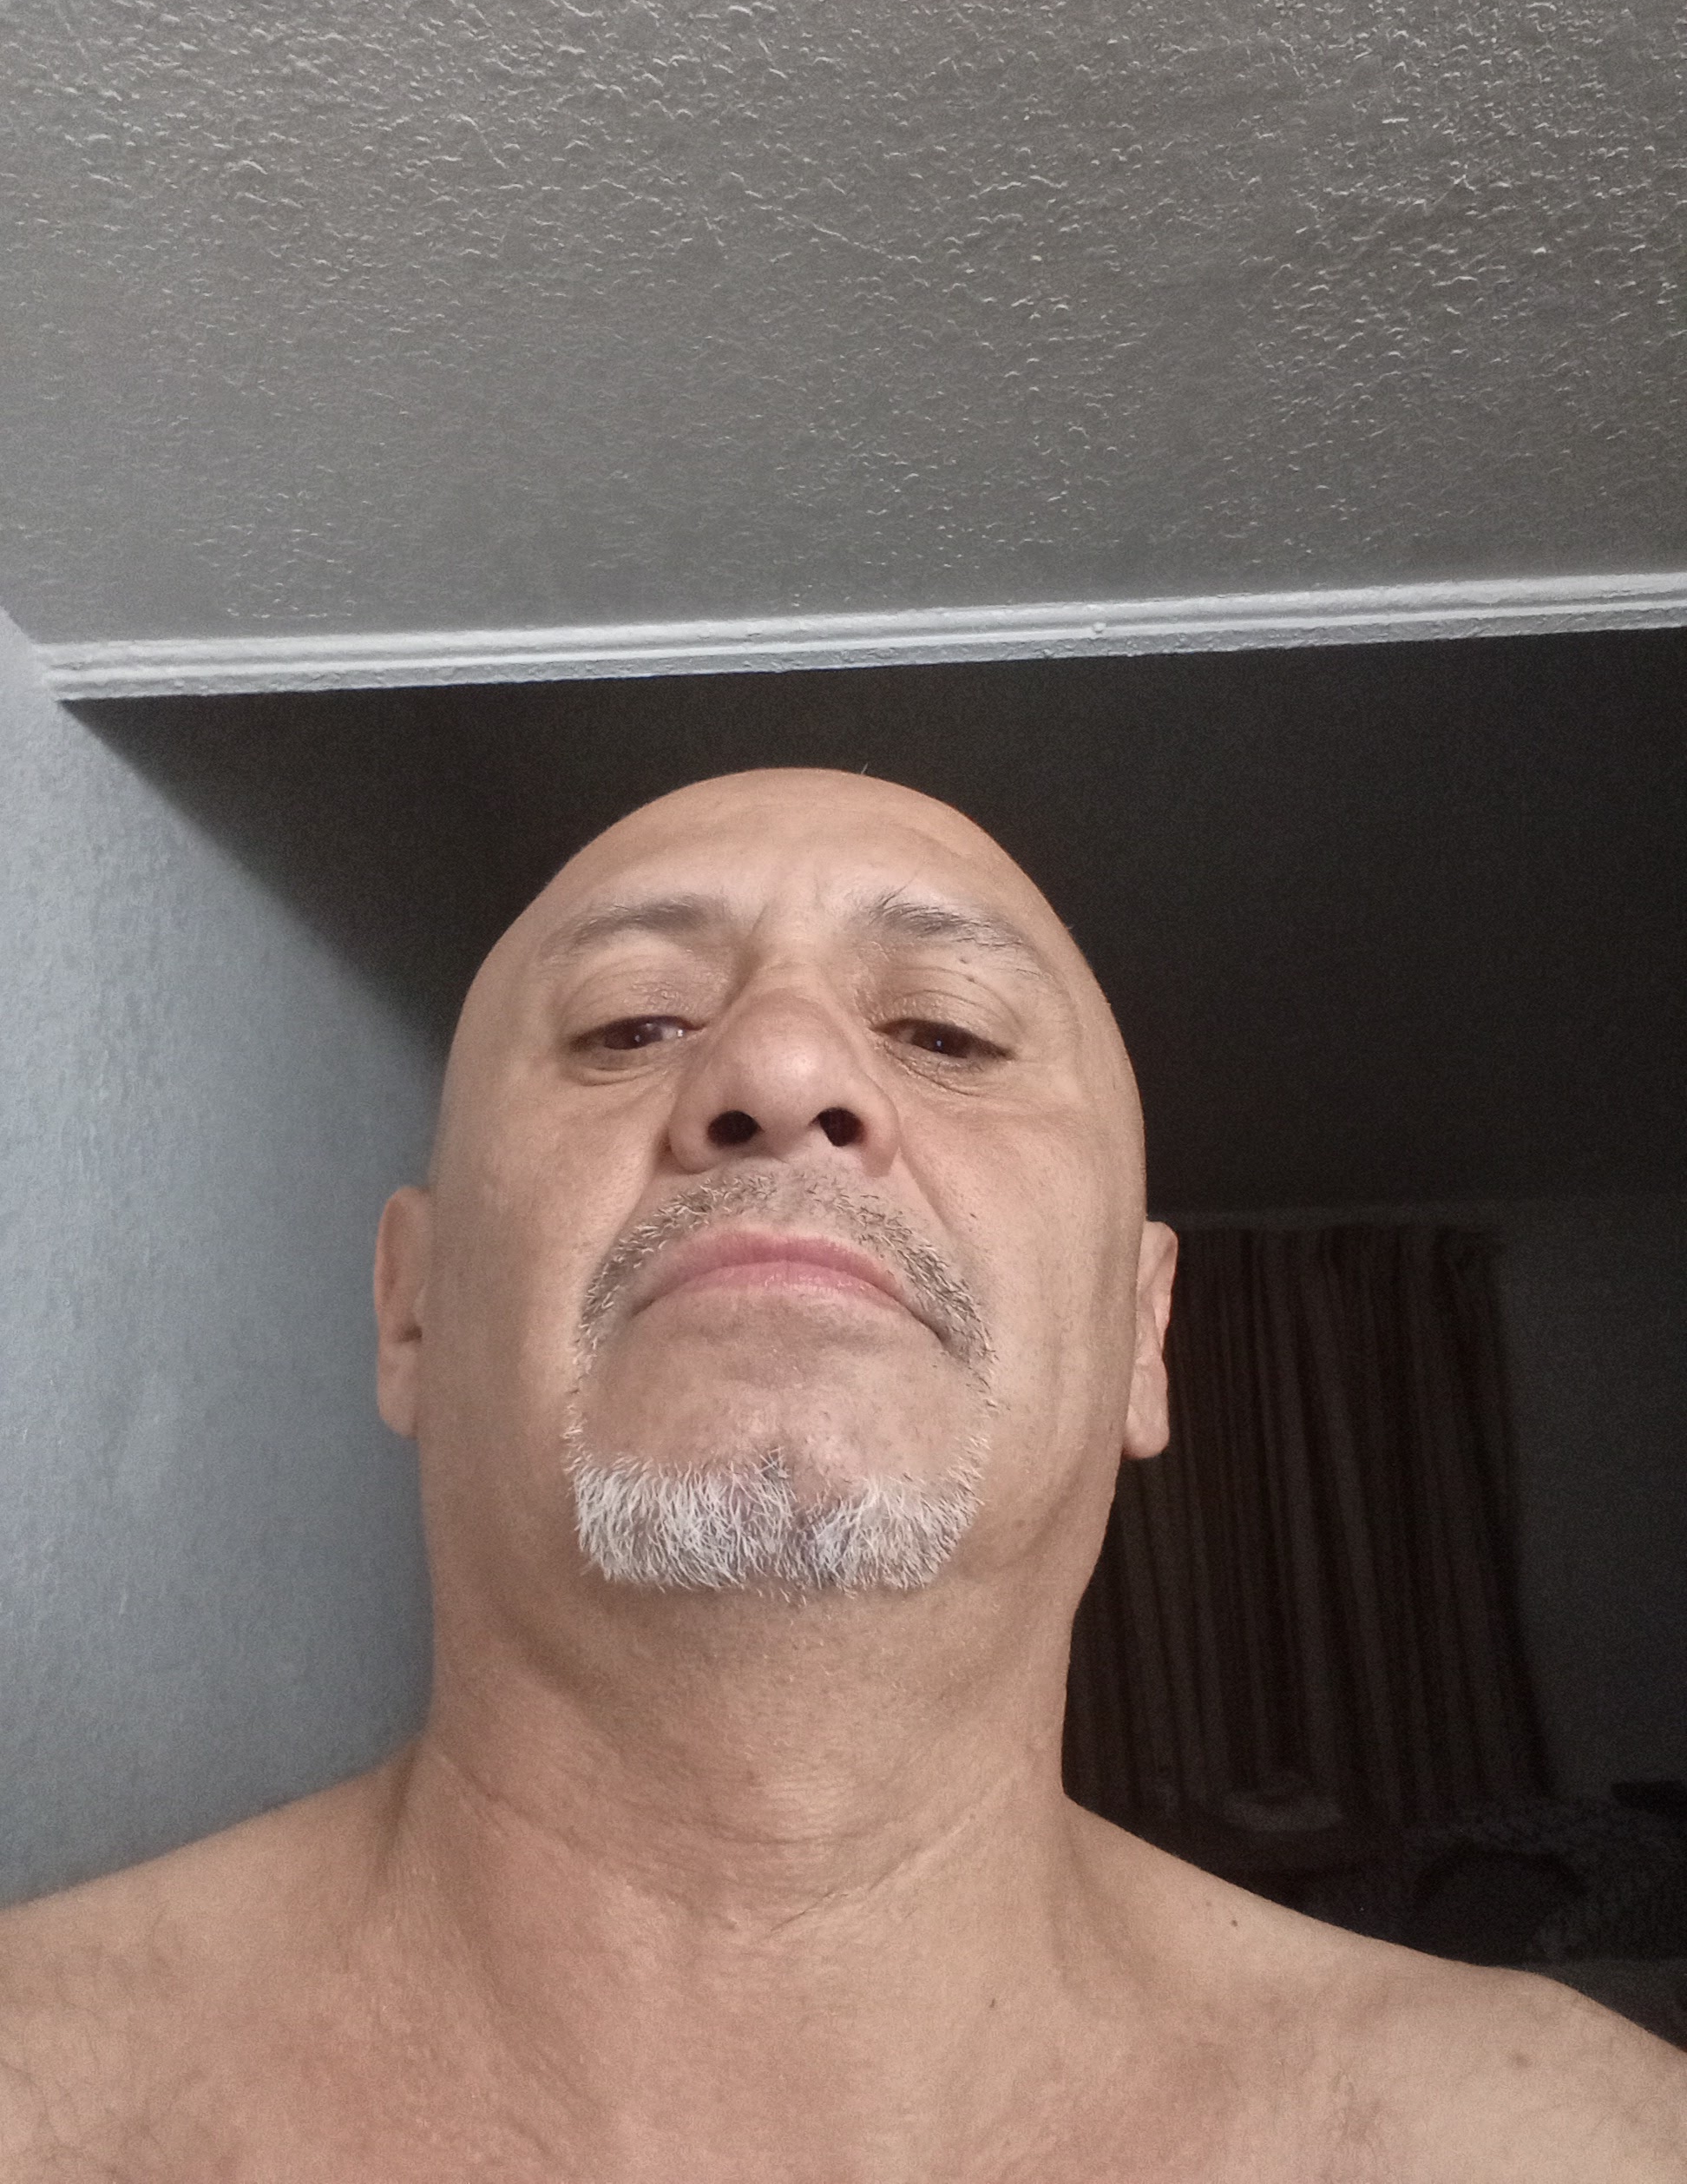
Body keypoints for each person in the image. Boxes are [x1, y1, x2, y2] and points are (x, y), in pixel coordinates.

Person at [0, 766, 1681, 2181]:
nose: (783, 1073)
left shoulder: (1572, 2142)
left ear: (1143, 1335)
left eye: (948, 1031)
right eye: (632, 1022)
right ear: (412, 1308)